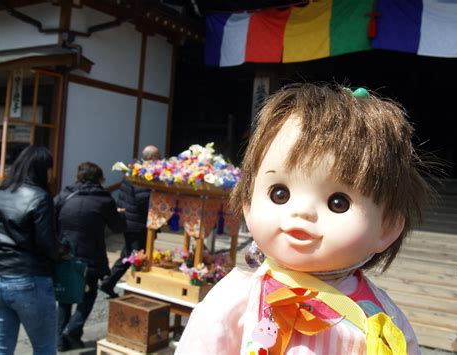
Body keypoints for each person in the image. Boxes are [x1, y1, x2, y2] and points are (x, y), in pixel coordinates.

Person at [176, 83, 432, 354]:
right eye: (279, 194)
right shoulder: (234, 302)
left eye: (338, 202)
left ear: (386, 228)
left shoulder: (382, 320)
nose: (302, 212)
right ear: (248, 206)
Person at [55, 162, 126, 351]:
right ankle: (72, 329)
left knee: (65, 297)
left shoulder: (64, 195)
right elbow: (117, 227)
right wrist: (120, 215)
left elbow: (52, 218)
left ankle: (61, 340)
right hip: (91, 255)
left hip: (65, 253)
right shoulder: (104, 199)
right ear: (100, 178)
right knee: (89, 294)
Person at [0, 146, 61, 354]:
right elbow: (47, 245)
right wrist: (63, 250)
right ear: (41, 168)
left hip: (0, 276)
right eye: (50, 168)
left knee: (2, 347)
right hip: (29, 278)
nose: (52, 173)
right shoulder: (41, 197)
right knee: (44, 347)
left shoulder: (1, 192)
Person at [100, 145, 161, 298]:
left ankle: (109, 282)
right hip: (137, 223)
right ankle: (135, 287)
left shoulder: (136, 172)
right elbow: (142, 199)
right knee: (135, 256)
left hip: (132, 222)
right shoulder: (141, 174)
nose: (160, 159)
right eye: (158, 156)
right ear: (151, 158)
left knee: (129, 253)